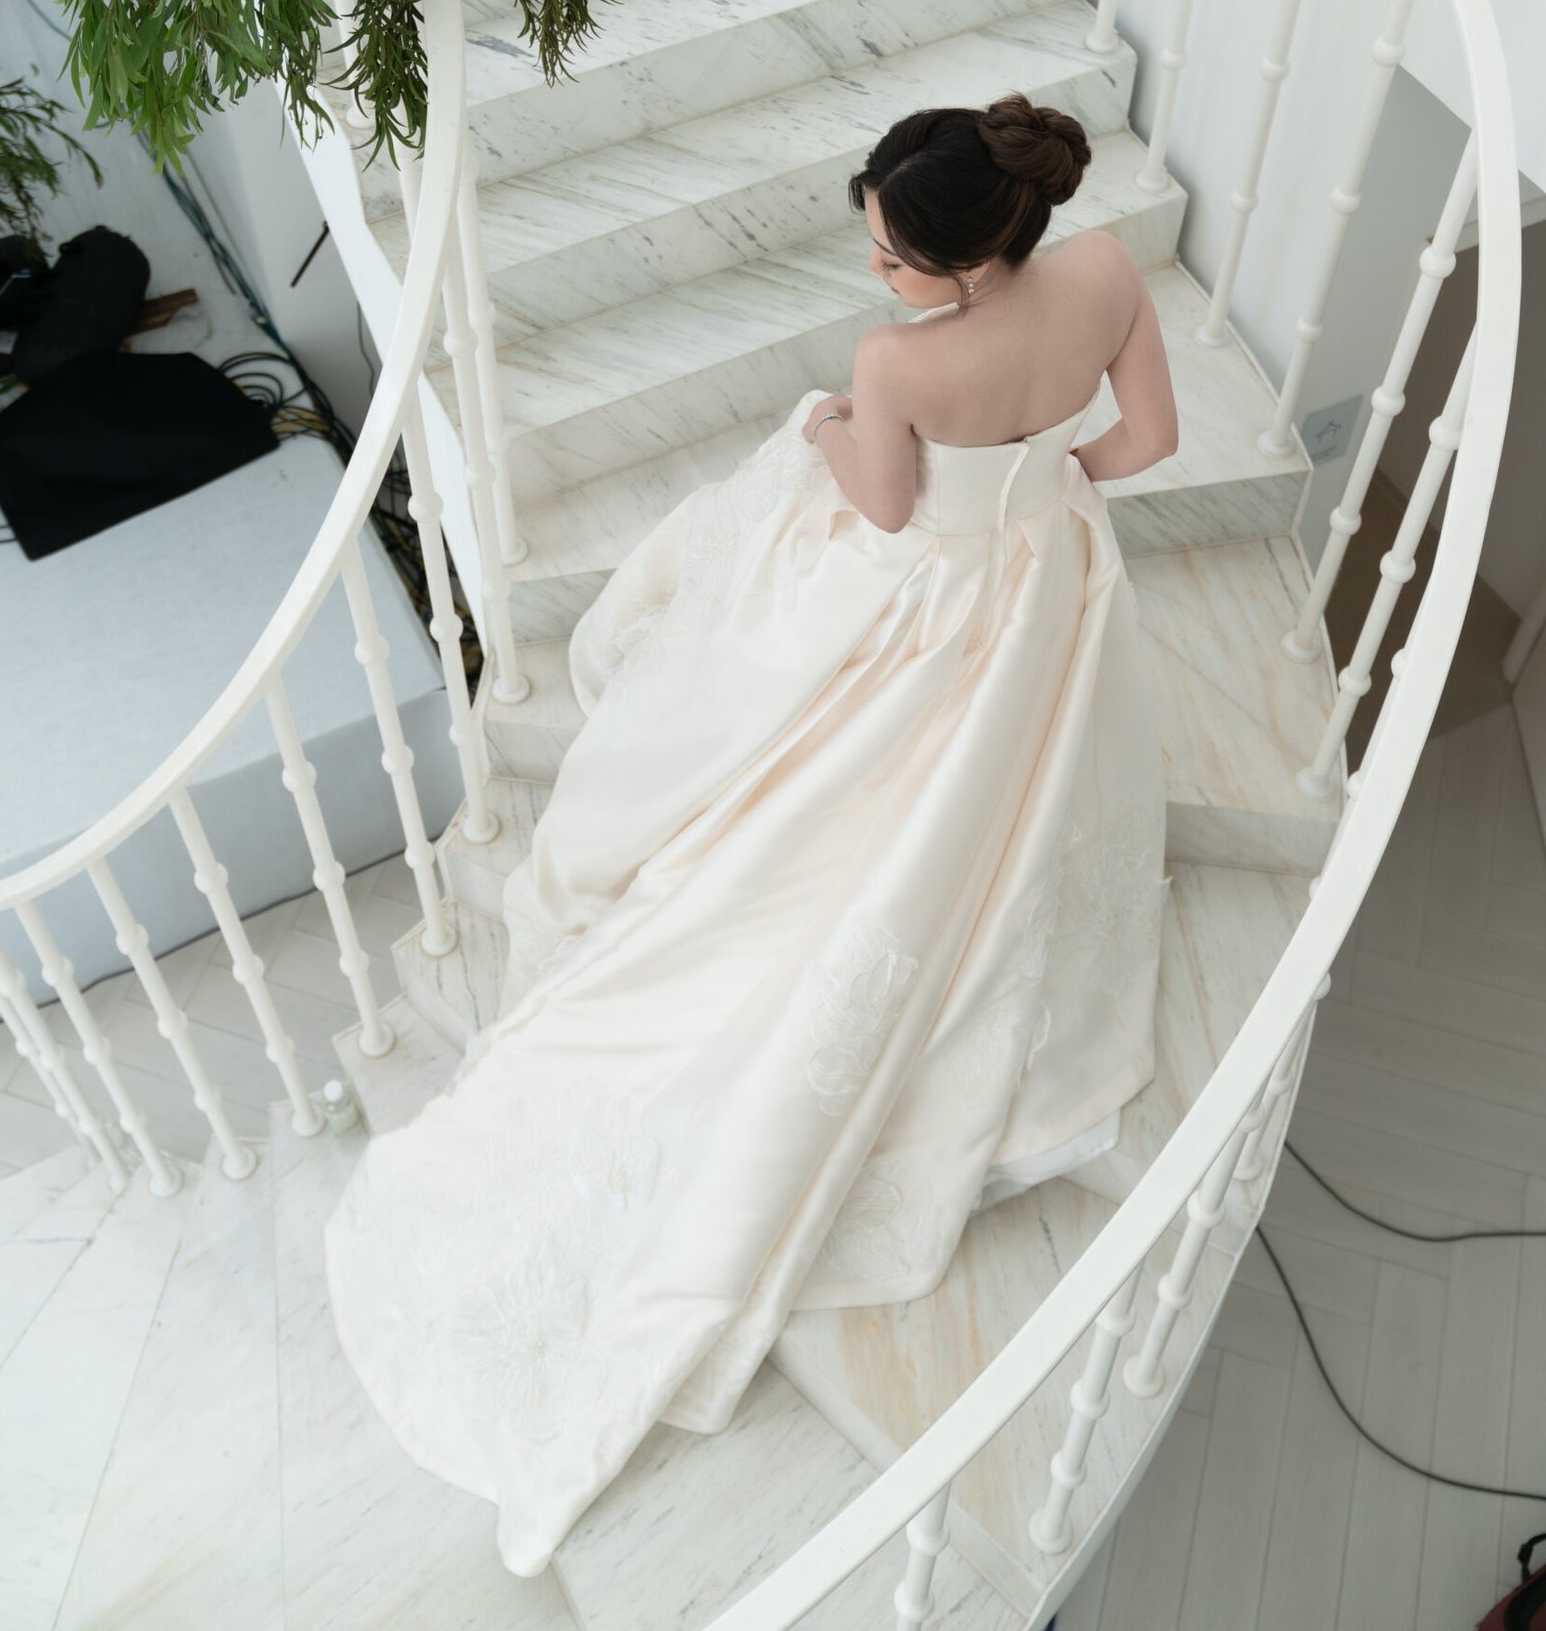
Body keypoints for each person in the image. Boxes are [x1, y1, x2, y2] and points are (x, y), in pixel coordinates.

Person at [325, 92, 1177, 1577]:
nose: (874, 273)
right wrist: (1043, 491)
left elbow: (889, 514)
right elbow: (1151, 438)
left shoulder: (899, 362)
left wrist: (840, 425)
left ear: (968, 261)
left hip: (930, 602)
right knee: (987, 799)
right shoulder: (1104, 270)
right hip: (1037, 592)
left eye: (892, 256)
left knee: (775, 672)